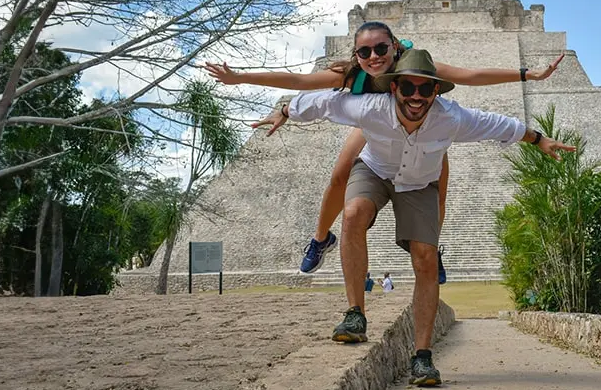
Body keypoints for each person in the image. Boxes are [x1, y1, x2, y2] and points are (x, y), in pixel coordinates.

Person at [250, 49, 575, 386]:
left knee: (425, 258)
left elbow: (498, 123)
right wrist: (286, 111)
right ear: (394, 89)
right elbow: (324, 102)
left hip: (419, 183)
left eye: (425, 90)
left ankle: (422, 357)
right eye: (408, 88)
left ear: (436, 91)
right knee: (352, 213)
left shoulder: (451, 117)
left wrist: (538, 139)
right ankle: (355, 314)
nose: (416, 97)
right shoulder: (370, 108)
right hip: (375, 169)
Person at [206, 21, 563, 284]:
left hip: (419, 121)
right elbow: (300, 83)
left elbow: (469, 75)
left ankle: (431, 247)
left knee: (437, 181)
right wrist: (243, 79)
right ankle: (320, 238)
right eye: (364, 52)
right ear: (356, 55)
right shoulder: (350, 75)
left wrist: (526, 74)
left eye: (380, 49)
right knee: (340, 173)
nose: (374, 57)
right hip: (372, 120)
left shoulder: (417, 67)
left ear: (394, 46)